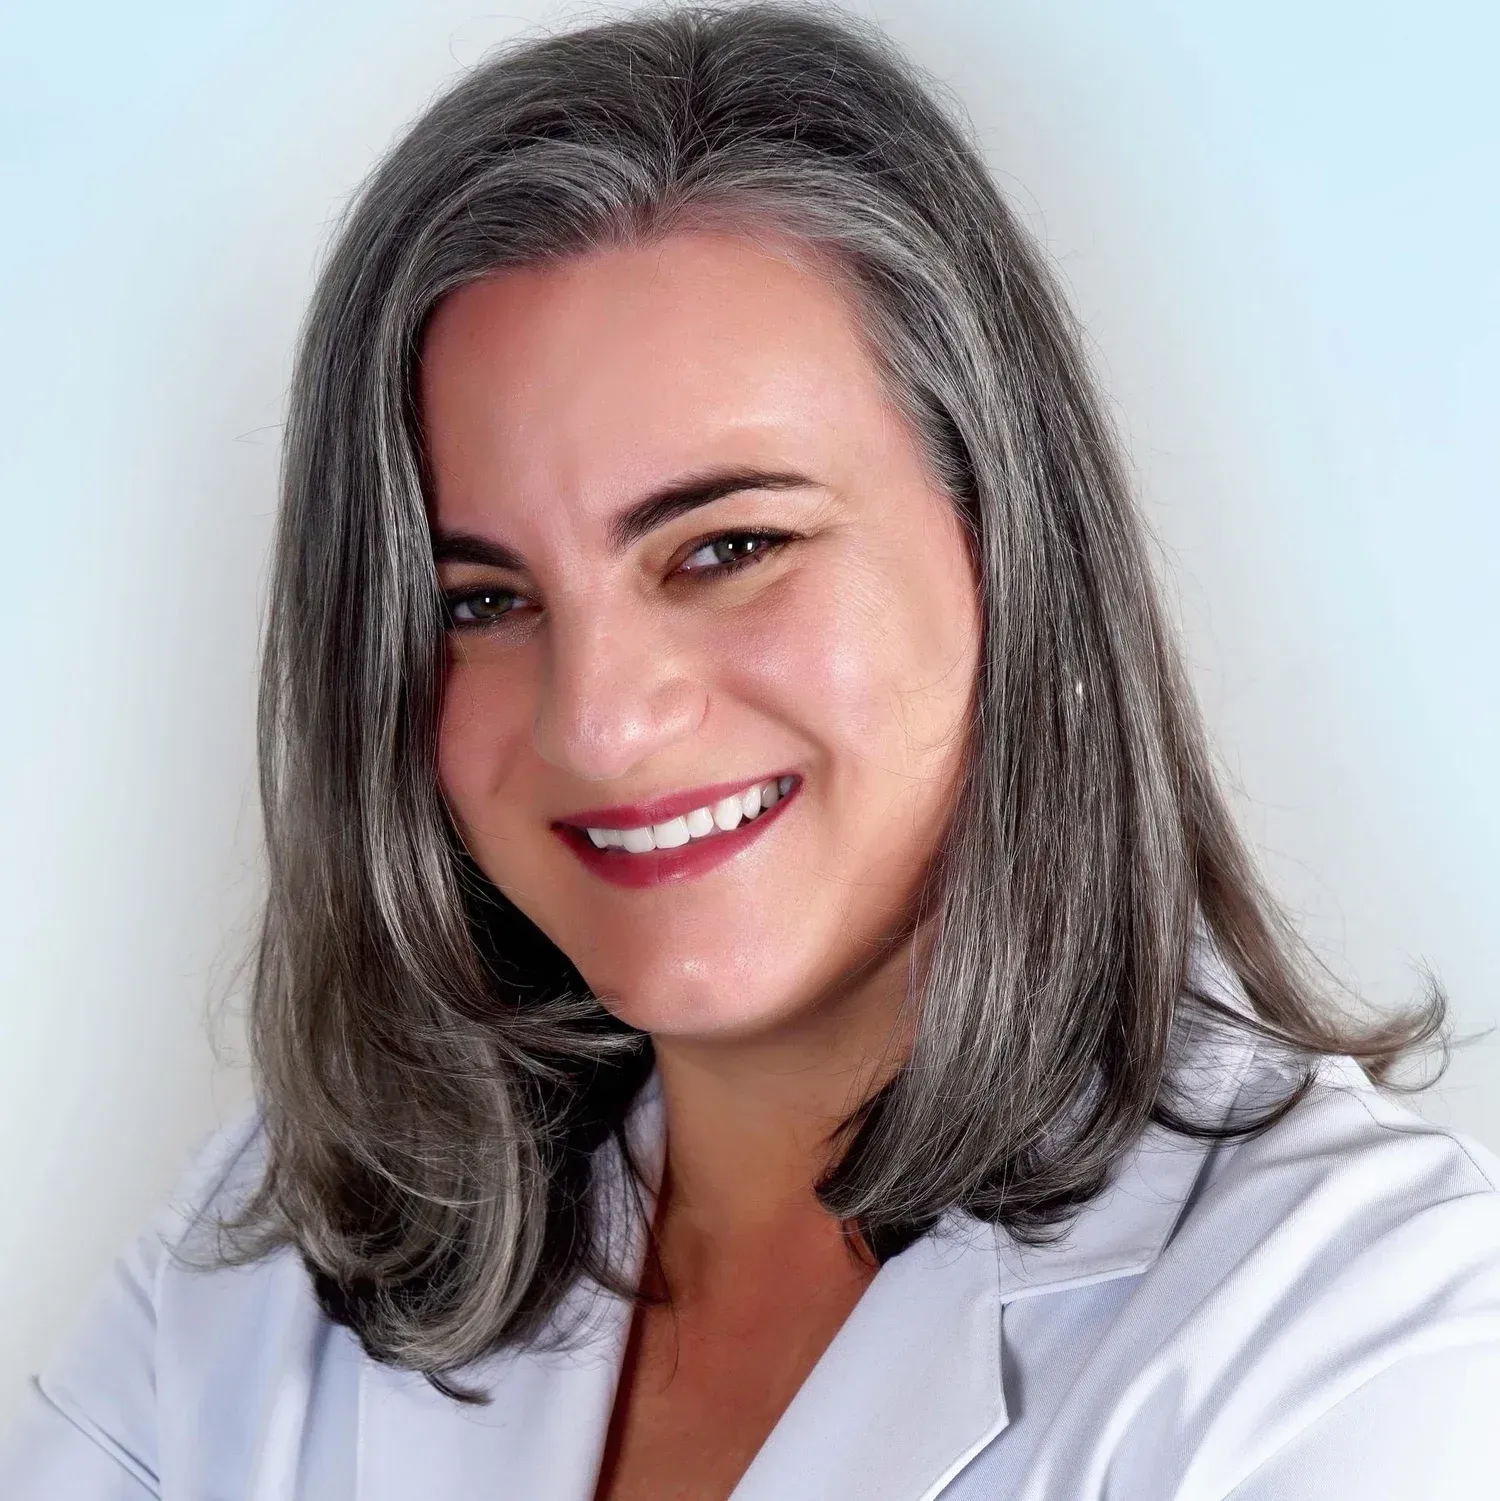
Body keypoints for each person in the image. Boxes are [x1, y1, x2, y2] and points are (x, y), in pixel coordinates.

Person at [4, 4, 1498, 1497]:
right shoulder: (283, 1255)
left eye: (727, 546)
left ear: (1007, 544)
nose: (596, 718)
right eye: (482, 601)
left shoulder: (1360, 1332)